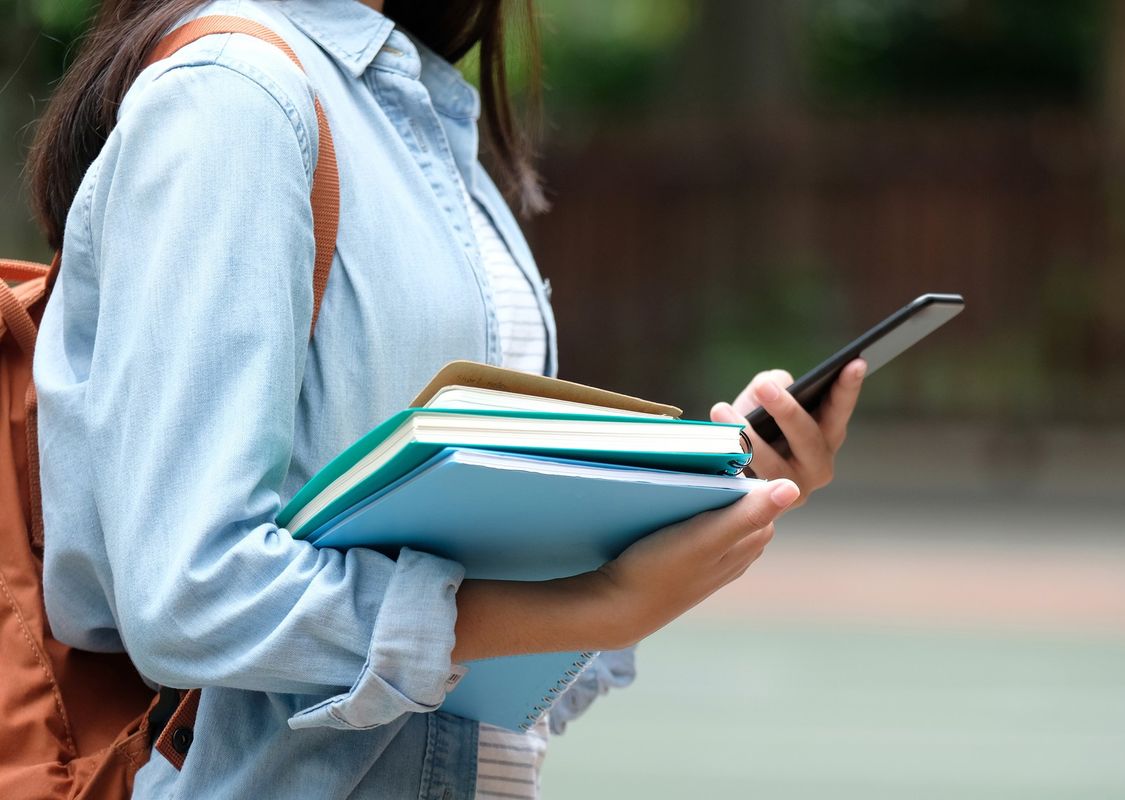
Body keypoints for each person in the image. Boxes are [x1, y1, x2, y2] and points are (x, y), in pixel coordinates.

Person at [27, 0, 866, 797]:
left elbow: (473, 675)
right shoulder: (235, 97)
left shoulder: (406, 107)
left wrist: (709, 493)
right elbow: (192, 593)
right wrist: (590, 604)